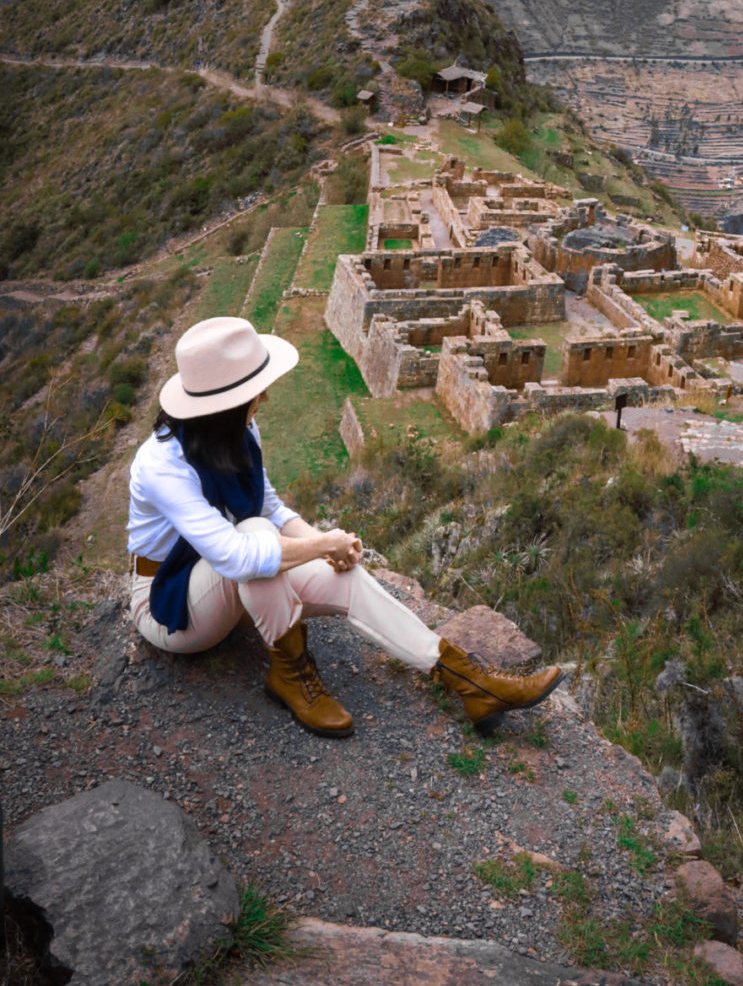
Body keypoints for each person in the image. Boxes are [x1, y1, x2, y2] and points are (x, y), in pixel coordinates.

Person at [128, 316, 563, 738]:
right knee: (256, 539)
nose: (264, 400)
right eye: (256, 393)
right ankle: (292, 675)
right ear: (225, 405)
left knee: (344, 573)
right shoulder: (162, 463)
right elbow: (237, 555)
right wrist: (321, 545)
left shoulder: (235, 431)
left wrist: (327, 546)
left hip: (229, 583)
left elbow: (269, 505)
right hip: (171, 608)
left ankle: (468, 681)